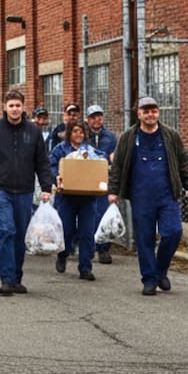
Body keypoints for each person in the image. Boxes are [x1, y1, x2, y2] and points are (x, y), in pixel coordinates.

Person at [108, 97, 188, 296]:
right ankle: (149, 279)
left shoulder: (170, 135)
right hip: (141, 196)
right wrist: (113, 191)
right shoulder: (128, 137)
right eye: (146, 111)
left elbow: (184, 161)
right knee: (144, 238)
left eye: (154, 110)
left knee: (173, 232)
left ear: (158, 112)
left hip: (167, 194)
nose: (150, 114)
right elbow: (118, 166)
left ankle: (160, 270)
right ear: (138, 114)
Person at [0, 90, 53, 296]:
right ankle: (6, 279)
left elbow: (42, 162)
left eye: (18, 105)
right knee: (6, 230)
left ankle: (17, 277)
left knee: (20, 235)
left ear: (23, 107)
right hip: (1, 189)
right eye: (11, 105)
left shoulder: (33, 131)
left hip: (24, 190)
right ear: (4, 107)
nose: (15, 109)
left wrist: (46, 187)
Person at [50, 120, 105, 280]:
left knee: (87, 232)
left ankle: (85, 267)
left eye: (81, 132)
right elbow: (52, 166)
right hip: (66, 196)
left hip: (87, 197)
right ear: (69, 133)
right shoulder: (60, 149)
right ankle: (63, 254)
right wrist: (57, 177)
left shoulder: (90, 150)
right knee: (66, 229)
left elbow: (101, 164)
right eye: (75, 131)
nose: (78, 135)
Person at [85, 104, 118, 264]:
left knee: (104, 214)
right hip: (87, 181)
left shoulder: (110, 137)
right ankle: (89, 248)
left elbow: (115, 159)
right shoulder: (83, 135)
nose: (97, 120)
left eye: (99, 116)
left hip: (105, 181)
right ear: (88, 119)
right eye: (93, 117)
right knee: (89, 215)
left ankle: (104, 249)